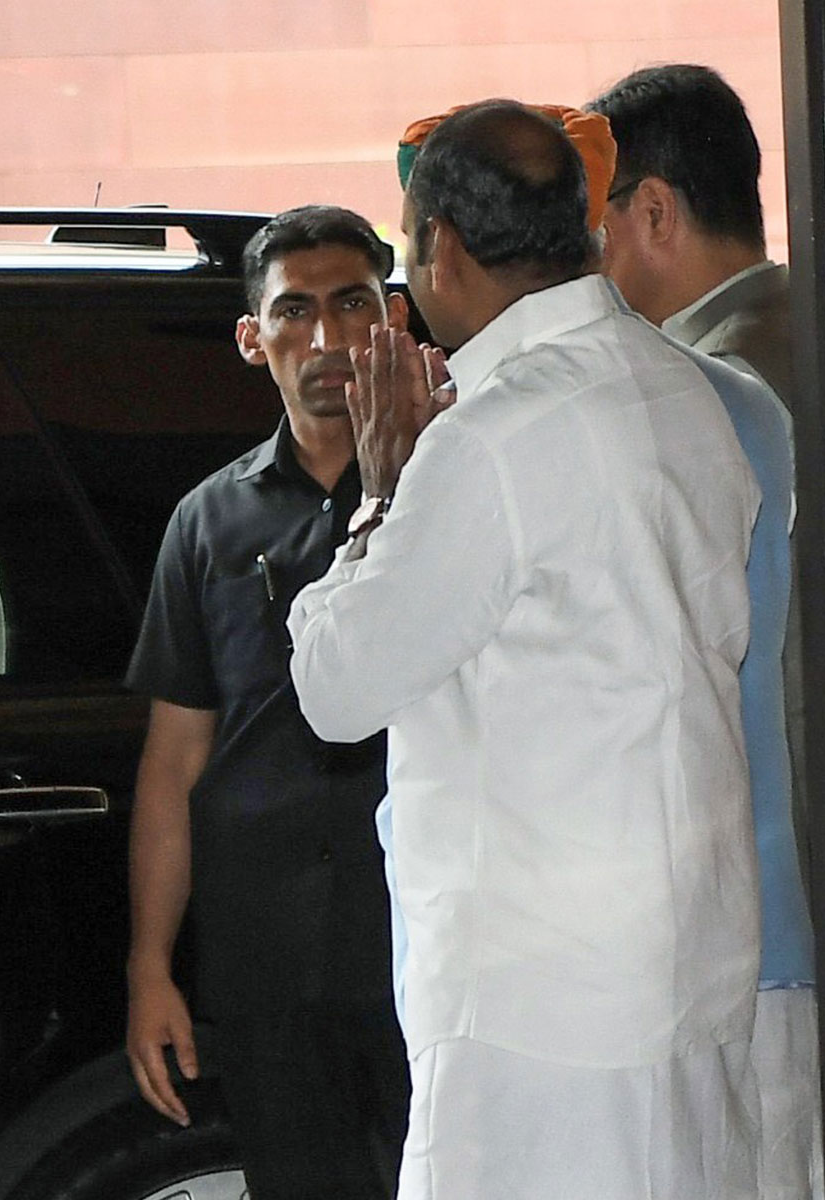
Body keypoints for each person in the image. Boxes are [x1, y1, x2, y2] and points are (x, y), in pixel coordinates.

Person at [288, 102, 763, 1198]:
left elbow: (334, 689)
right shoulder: (681, 390)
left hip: (541, 997)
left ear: (440, 244)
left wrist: (376, 498)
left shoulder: (495, 434)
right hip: (686, 960)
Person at [124, 205, 411, 1199]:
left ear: (395, 314)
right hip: (267, 964)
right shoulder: (207, 521)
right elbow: (173, 761)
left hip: (429, 945)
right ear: (253, 338)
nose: (326, 340)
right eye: (294, 312)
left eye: (351, 304)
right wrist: (150, 967)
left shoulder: (453, 489)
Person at [584, 70, 824, 1196]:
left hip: (773, 919)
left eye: (594, 227)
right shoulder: (804, 338)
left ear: (653, 212)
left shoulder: (711, 394)